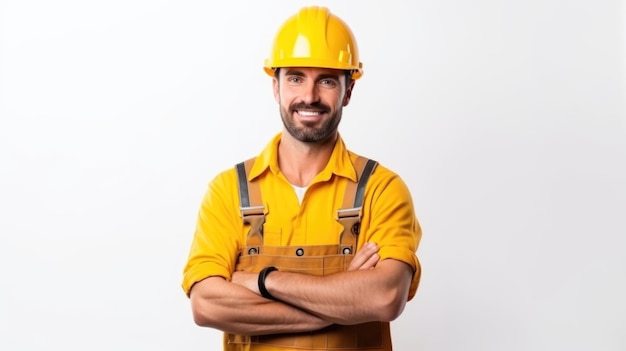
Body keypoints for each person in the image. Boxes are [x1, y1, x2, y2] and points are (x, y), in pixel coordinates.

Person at [182, 5, 422, 351]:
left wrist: (264, 281)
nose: (309, 96)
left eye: (326, 80)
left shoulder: (381, 189)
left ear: (348, 91)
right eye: (296, 77)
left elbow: (384, 297)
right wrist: (341, 305)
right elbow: (206, 304)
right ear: (276, 86)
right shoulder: (229, 191)